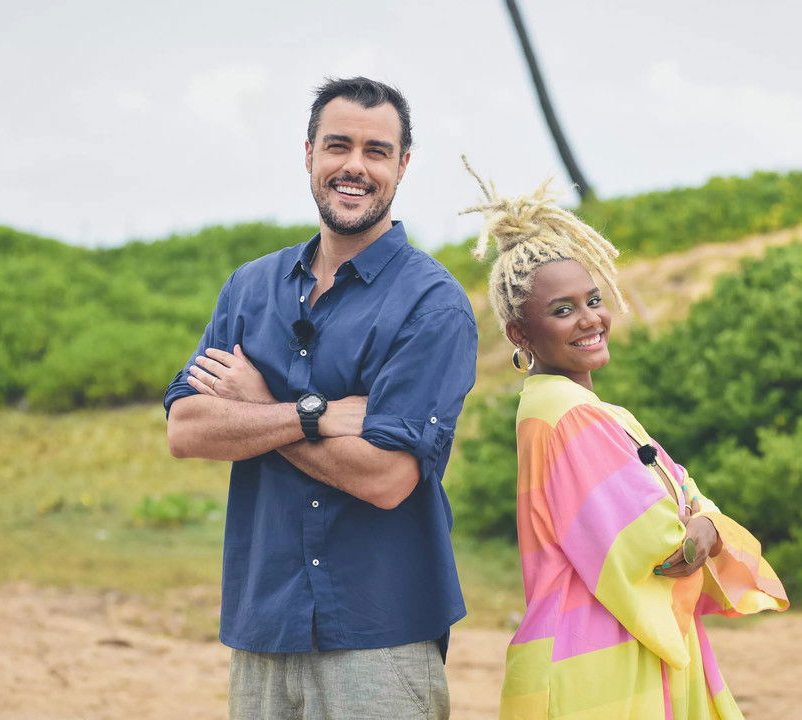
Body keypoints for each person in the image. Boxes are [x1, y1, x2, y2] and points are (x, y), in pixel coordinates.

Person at [164, 77, 477, 719]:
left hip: (381, 634)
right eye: (338, 145)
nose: (354, 166)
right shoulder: (250, 288)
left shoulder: (433, 305)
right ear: (309, 153)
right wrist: (316, 415)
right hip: (264, 627)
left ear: (402, 166)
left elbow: (387, 477)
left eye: (376, 151)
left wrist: (256, 409)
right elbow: (187, 429)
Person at [461, 160, 790, 719]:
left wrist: (704, 521)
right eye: (562, 310)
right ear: (519, 333)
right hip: (600, 667)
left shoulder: (587, 412)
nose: (589, 319)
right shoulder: (568, 415)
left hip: (591, 655)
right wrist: (705, 525)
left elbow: (683, 494)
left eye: (593, 300)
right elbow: (665, 548)